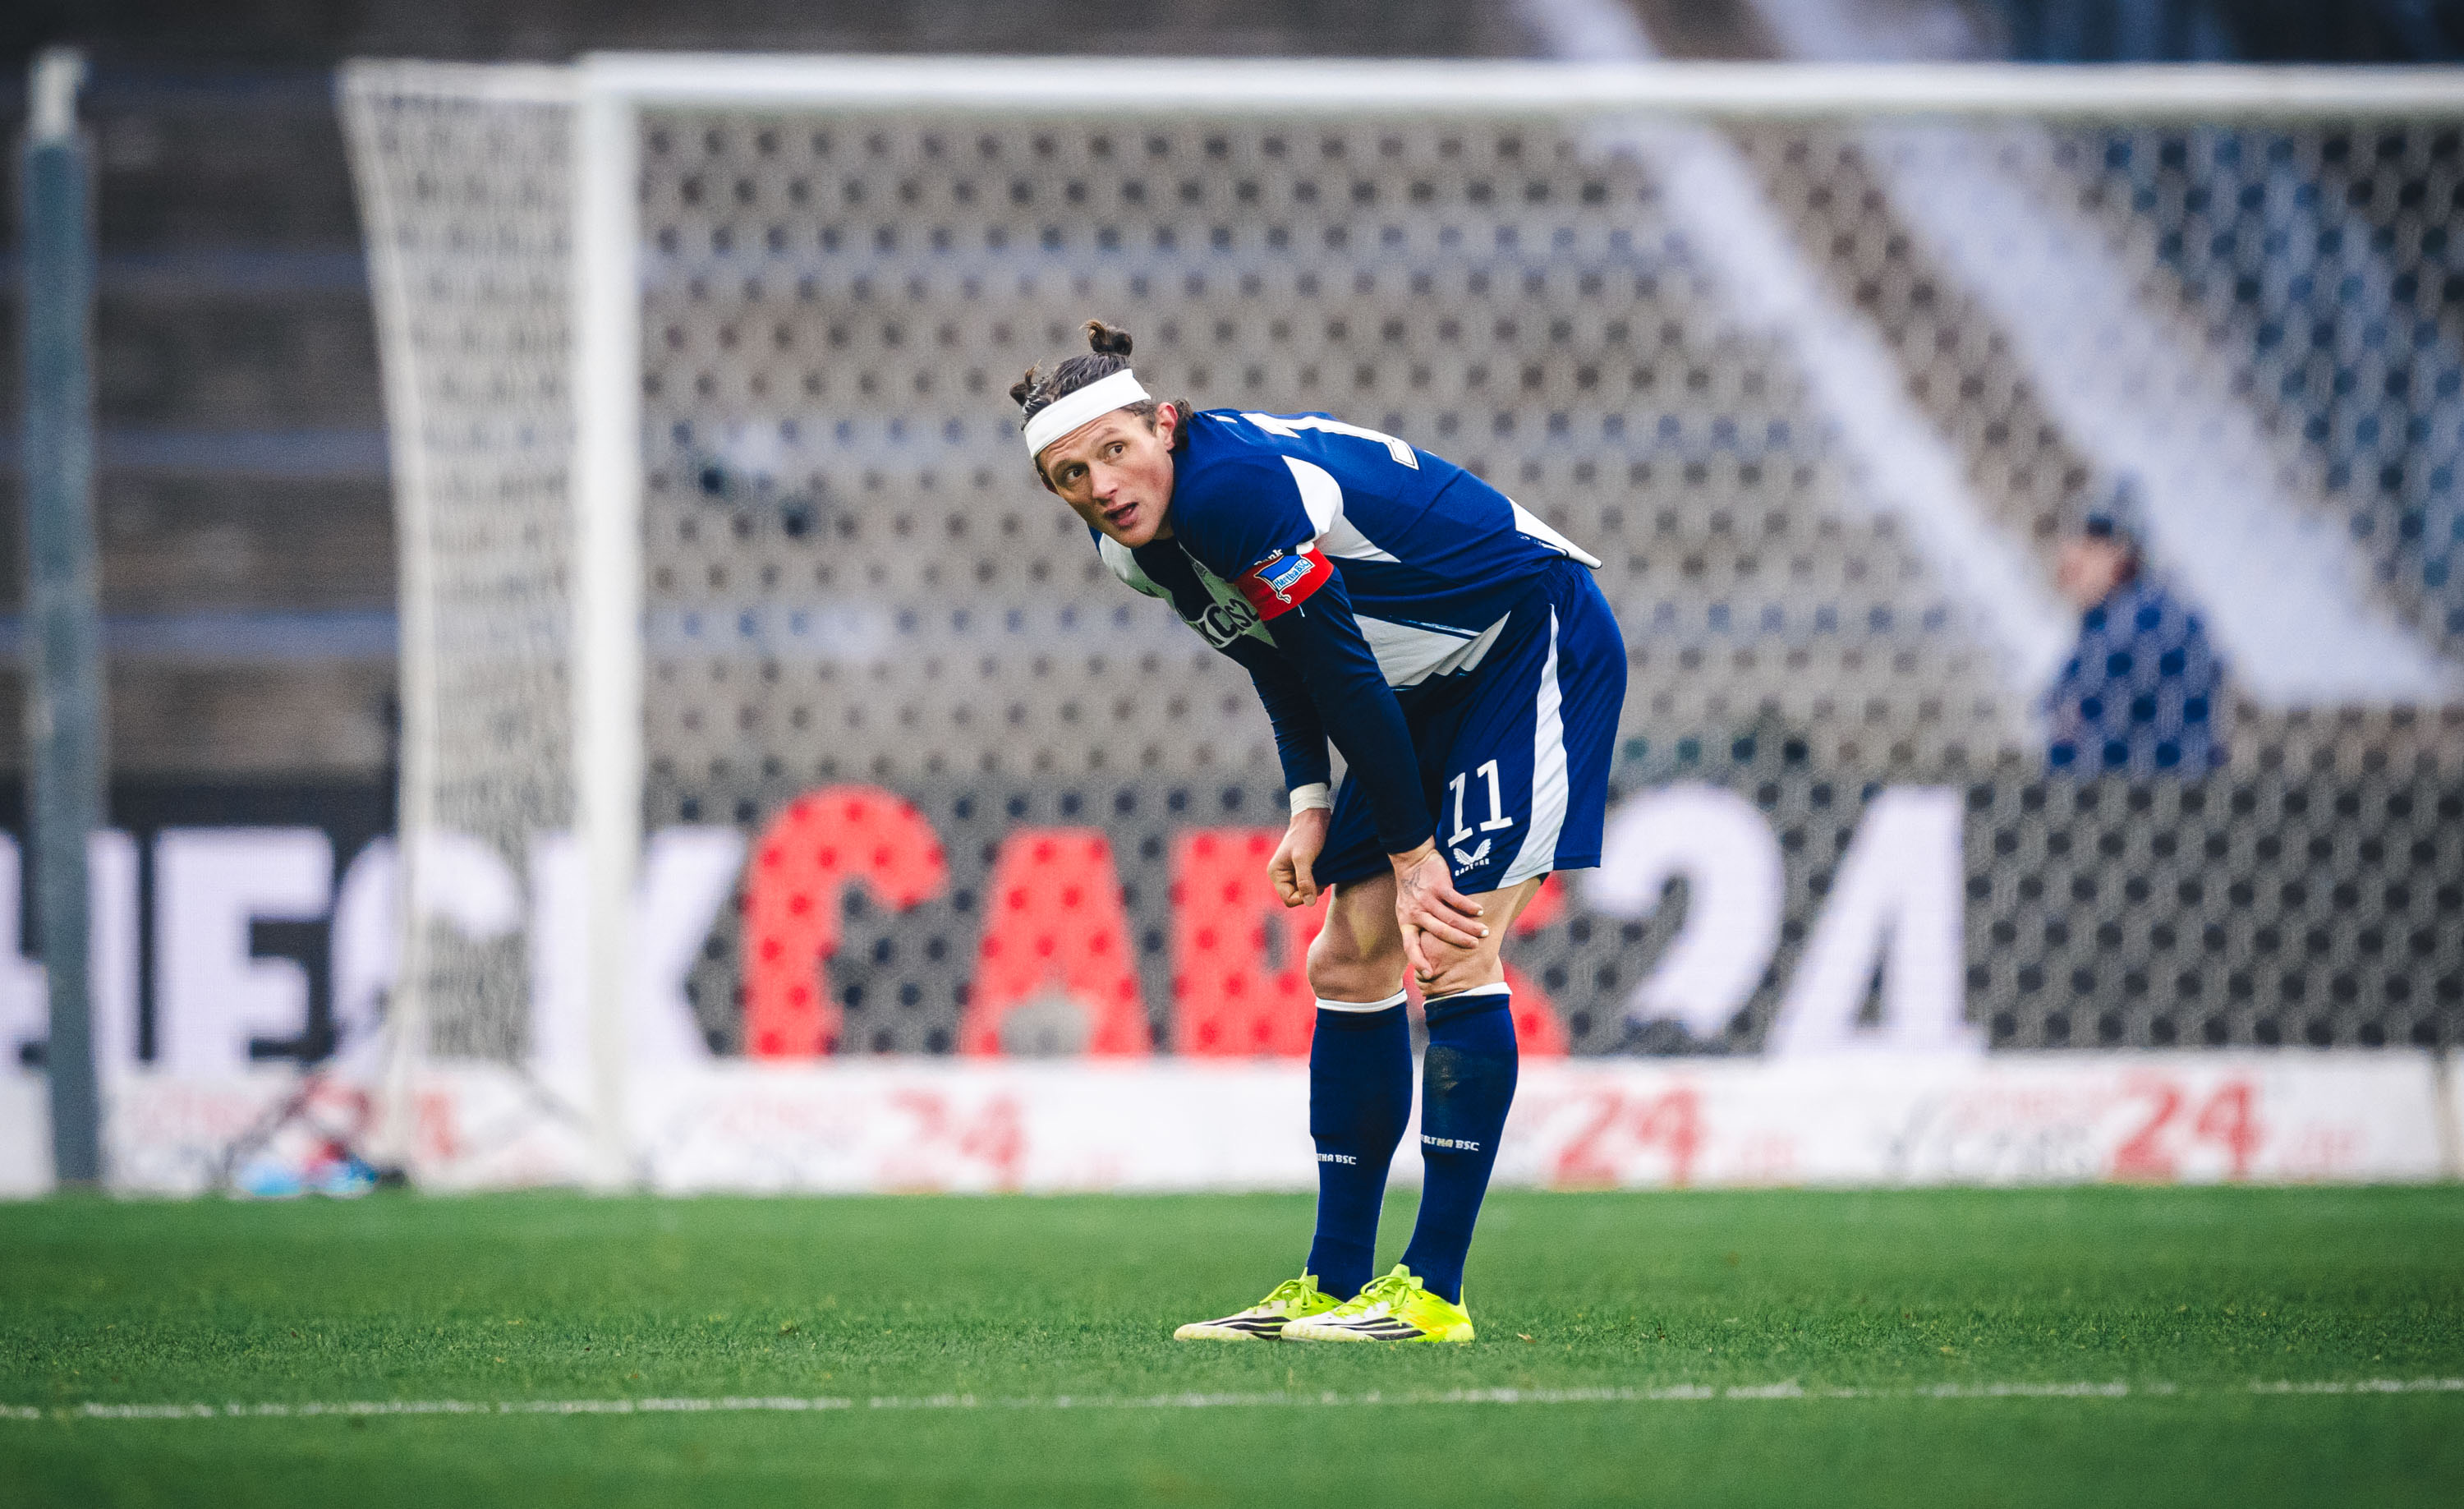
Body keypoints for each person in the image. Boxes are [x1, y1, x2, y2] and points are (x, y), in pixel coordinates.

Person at [1011, 321, 1626, 1343]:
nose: (1100, 486)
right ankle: (1334, 1282)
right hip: (1421, 689)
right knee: (1346, 964)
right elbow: (1273, 651)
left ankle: (1431, 1292)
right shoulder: (1138, 550)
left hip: (1526, 636)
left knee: (1451, 943)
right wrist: (1308, 803)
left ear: (1165, 424)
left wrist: (1412, 850)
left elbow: (1337, 663)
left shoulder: (1228, 490)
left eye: (1114, 450)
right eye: (1069, 475)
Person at [2044, 508, 2227, 777]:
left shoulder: (2146, 619)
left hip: (2153, 791)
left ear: (2122, 553)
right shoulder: (2106, 624)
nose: (2072, 553)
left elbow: (2092, 736)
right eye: (2071, 541)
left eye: (2091, 543)